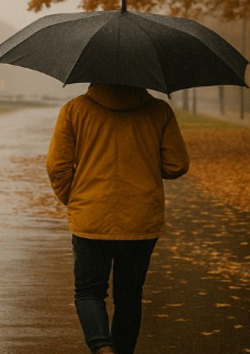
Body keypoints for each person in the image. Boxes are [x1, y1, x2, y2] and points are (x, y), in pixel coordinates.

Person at [46, 83, 189, 354]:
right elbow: (177, 164)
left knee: (89, 292)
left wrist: (75, 199)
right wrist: (144, 161)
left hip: (91, 217)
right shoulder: (159, 111)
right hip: (141, 218)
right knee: (129, 296)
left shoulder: (74, 110)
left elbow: (57, 166)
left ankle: (102, 348)